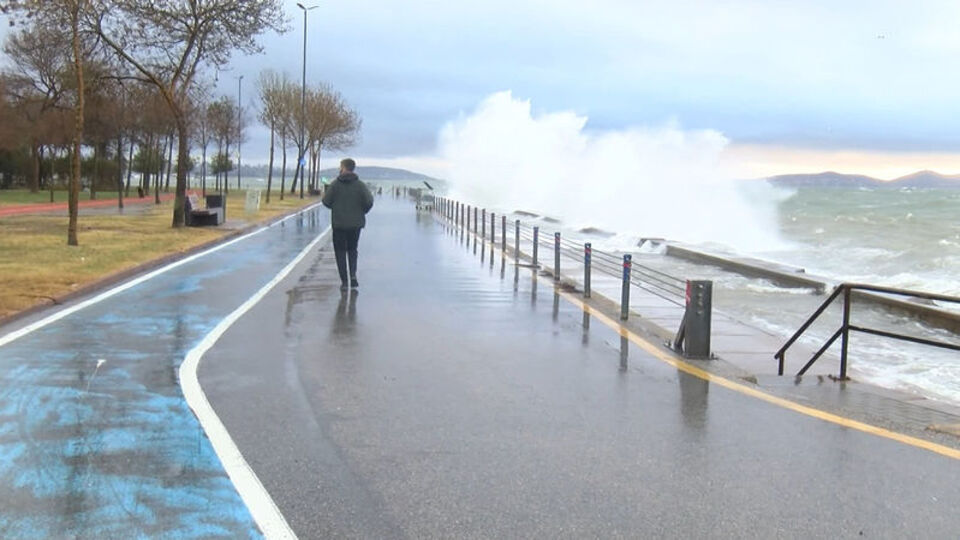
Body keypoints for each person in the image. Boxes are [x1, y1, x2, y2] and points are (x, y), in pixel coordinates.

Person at [322, 158, 374, 291]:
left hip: (339, 224)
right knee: (352, 249)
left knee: (340, 252)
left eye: (340, 166)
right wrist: (362, 211)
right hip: (355, 224)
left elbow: (326, 201)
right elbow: (369, 201)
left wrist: (336, 207)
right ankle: (353, 275)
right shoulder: (360, 185)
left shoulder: (335, 185)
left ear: (343, 168)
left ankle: (344, 281)